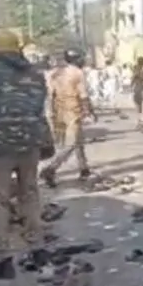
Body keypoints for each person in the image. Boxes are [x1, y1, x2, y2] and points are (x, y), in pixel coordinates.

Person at [0, 28, 51, 278]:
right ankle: (37, 248)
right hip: (29, 143)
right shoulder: (35, 74)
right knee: (30, 194)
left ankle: (3, 258)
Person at [42, 48, 95, 187]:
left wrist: (51, 113)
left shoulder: (54, 73)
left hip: (59, 111)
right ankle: (51, 168)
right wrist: (89, 110)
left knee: (78, 141)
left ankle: (84, 169)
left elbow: (49, 95)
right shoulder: (77, 73)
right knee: (71, 144)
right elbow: (83, 95)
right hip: (73, 110)